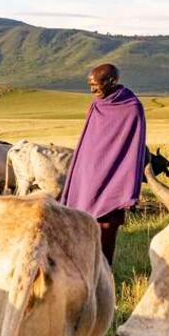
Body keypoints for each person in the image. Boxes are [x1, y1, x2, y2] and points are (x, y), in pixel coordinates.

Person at [60, 63, 146, 265]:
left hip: (114, 179)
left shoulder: (132, 108)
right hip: (89, 177)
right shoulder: (96, 105)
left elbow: (132, 149)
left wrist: (127, 186)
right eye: (89, 85)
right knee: (82, 227)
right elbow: (87, 144)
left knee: (106, 230)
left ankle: (105, 276)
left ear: (111, 81)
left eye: (95, 85)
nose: (92, 90)